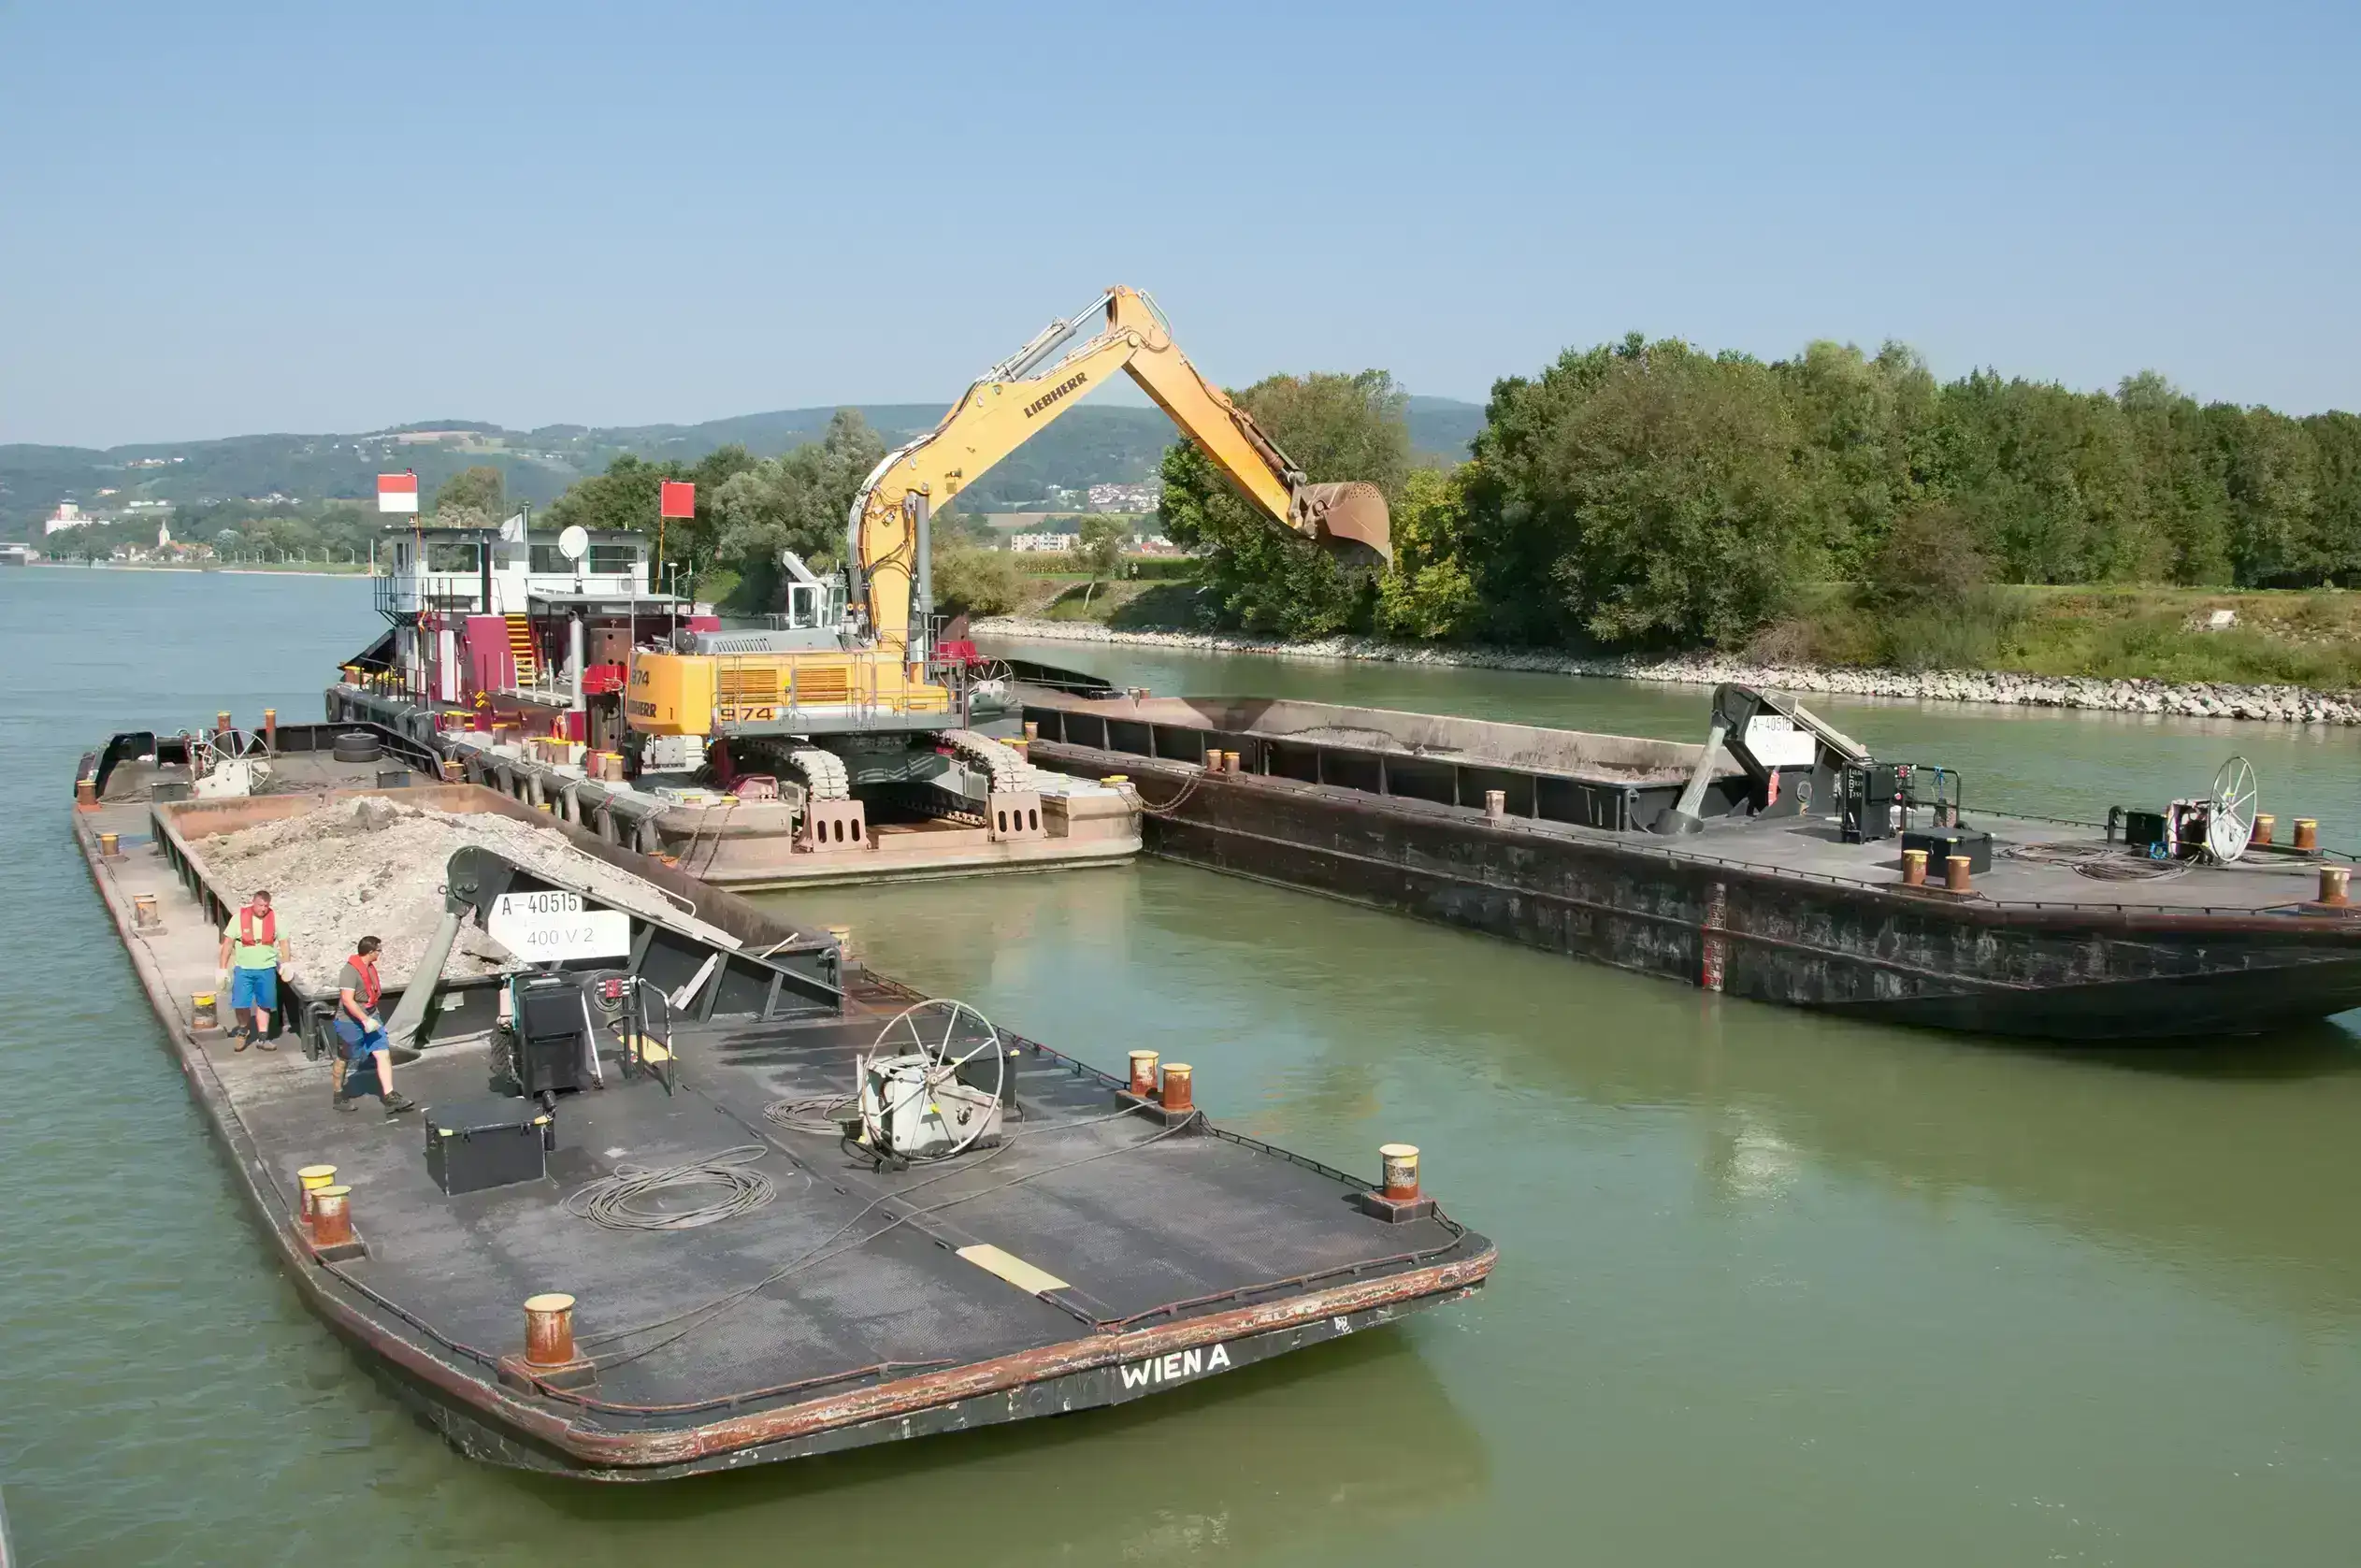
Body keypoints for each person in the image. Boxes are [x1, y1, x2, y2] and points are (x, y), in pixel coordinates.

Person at [332, 935, 419, 1116]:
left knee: (383, 1053)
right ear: (370, 952)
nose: (380, 953)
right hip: (351, 1022)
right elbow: (348, 1001)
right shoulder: (349, 972)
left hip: (372, 1016)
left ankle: (389, 1097)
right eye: (379, 950)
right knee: (344, 1058)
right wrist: (365, 1020)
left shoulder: (370, 968)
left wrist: (373, 1019)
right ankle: (338, 1095)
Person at [217, 889, 289, 1051]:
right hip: (244, 969)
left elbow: (284, 942)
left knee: (264, 1004)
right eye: (260, 905)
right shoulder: (238, 919)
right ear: (253, 903)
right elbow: (228, 944)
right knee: (241, 1003)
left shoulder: (275, 920)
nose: (263, 909)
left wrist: (286, 963)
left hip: (266, 969)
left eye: (266, 906)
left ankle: (263, 1038)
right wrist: (222, 968)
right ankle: (243, 1030)